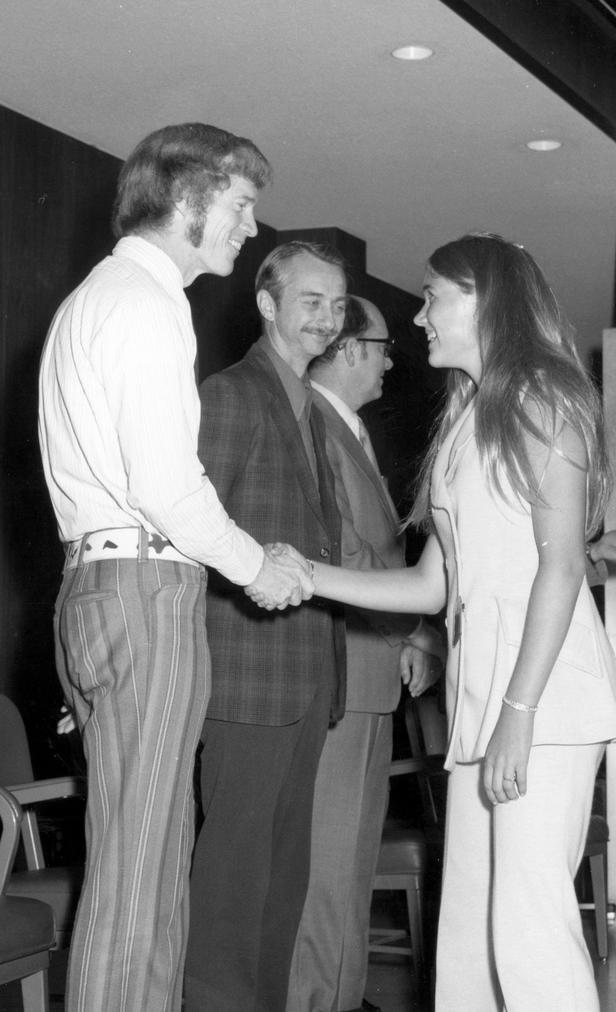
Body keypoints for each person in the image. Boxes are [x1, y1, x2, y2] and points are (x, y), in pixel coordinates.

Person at [309, 232, 616, 1010]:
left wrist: (518, 715)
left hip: (542, 704)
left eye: (432, 297)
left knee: (528, 935)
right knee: (467, 951)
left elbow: (561, 567)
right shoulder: (463, 422)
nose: (417, 316)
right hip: (484, 706)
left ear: (487, 300)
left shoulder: (544, 399)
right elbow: (432, 585)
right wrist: (309, 574)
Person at [36, 123, 313, 1012]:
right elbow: (166, 484)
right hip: (147, 590)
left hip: (97, 586)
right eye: (239, 205)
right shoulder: (149, 304)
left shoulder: (93, 298)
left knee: (140, 860)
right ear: (187, 200)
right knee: (141, 872)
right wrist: (252, 567)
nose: (249, 227)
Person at [184, 241, 349, 1011]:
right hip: (246, 675)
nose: (328, 317)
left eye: (338, 304)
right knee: (232, 879)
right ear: (267, 304)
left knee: (285, 876)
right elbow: (190, 536)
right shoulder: (233, 393)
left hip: (308, 676)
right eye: (311, 300)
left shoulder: (310, 409)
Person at [287, 296, 443, 1012]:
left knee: (349, 861)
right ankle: (322, 999)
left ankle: (340, 994)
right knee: (329, 862)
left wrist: (407, 634)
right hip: (343, 672)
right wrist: (401, 629)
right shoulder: (315, 424)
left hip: (369, 671)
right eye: (381, 346)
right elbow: (344, 553)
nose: (389, 359)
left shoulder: (347, 427)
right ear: (348, 350)